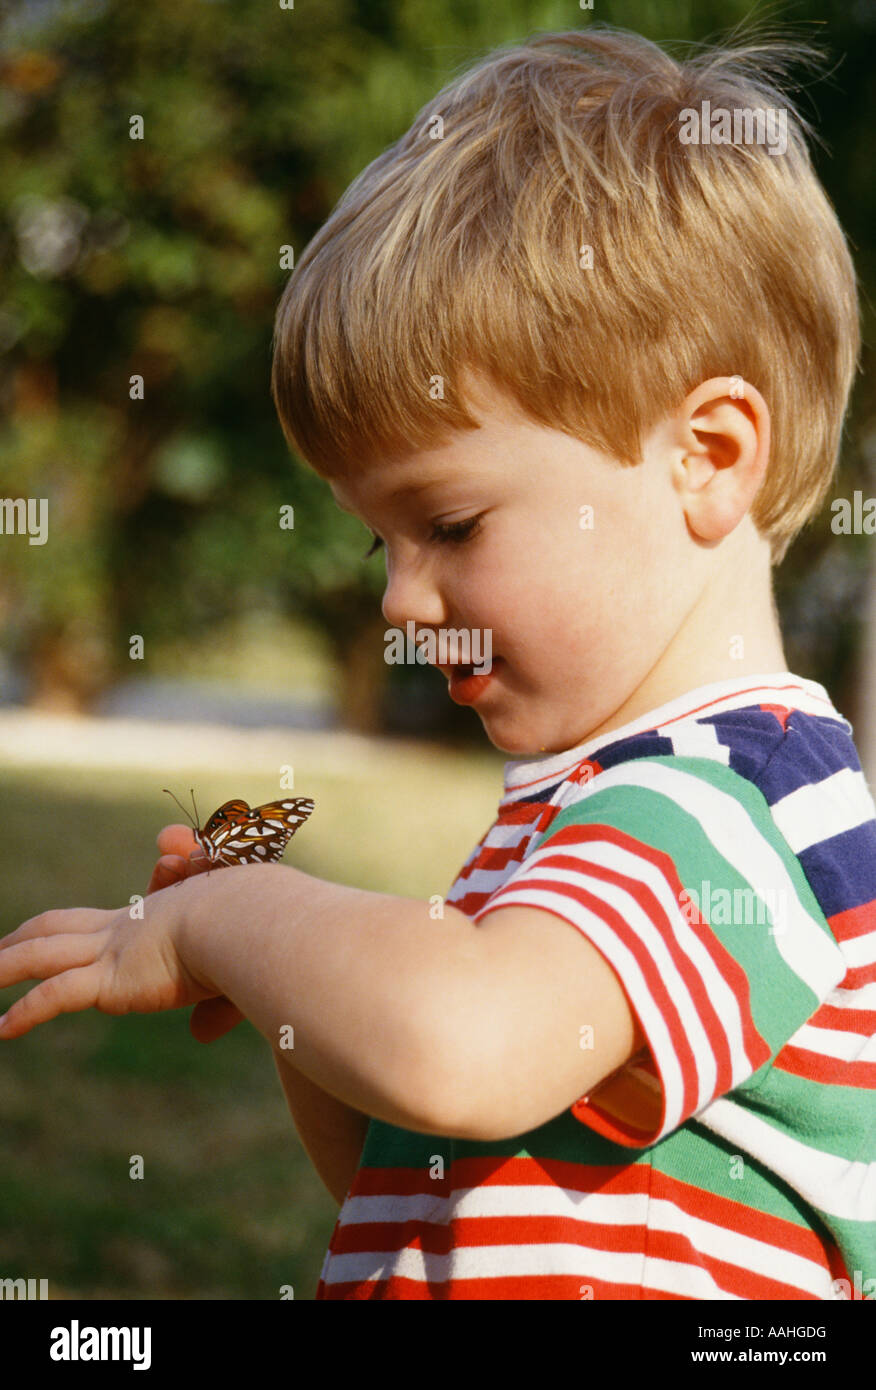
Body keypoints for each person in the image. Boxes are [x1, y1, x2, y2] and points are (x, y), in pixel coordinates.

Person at [1, 25, 873, 1300]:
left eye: (450, 525)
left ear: (709, 454)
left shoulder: (731, 805)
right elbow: (419, 1159)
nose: (405, 601)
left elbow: (462, 1047)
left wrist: (230, 916)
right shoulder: (588, 820)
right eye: (379, 544)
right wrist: (297, 998)